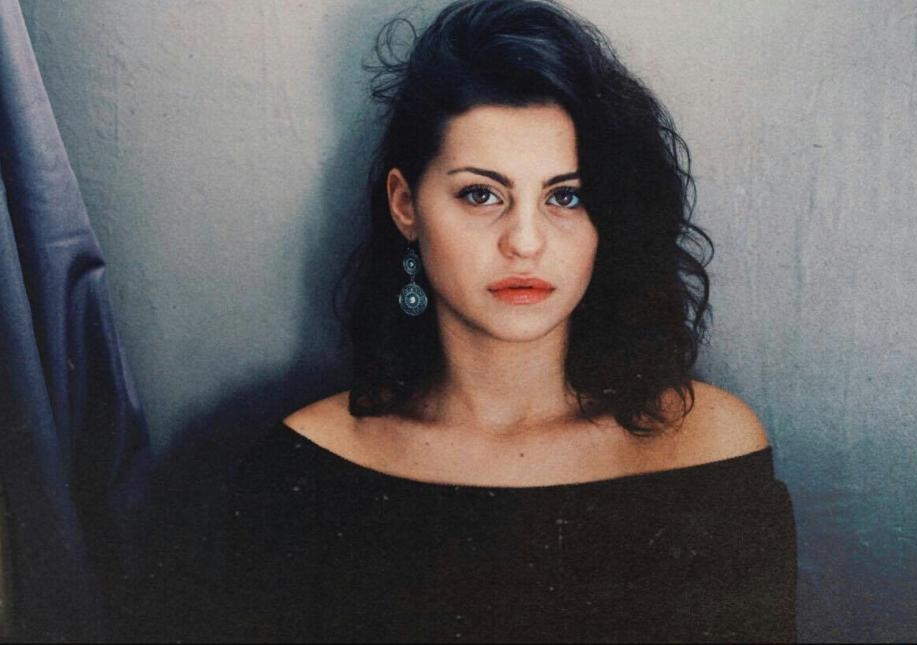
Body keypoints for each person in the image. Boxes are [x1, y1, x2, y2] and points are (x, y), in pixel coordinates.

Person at [217, 0, 797, 641]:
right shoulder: (306, 470)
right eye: (481, 194)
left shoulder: (709, 444)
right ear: (406, 205)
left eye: (565, 197)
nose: (524, 241)